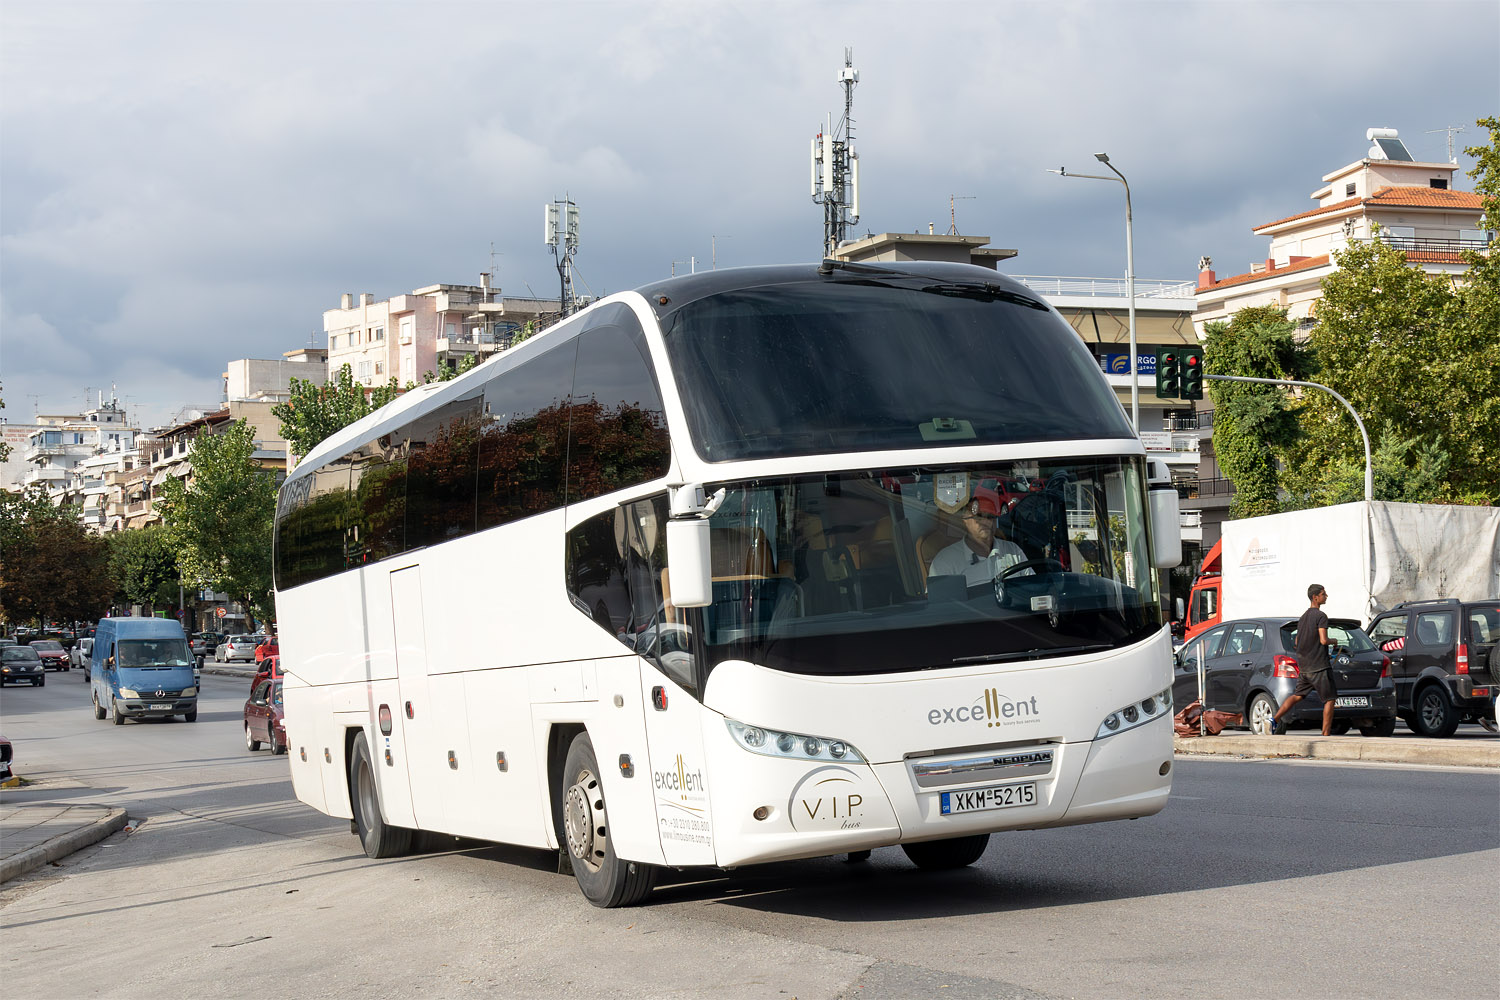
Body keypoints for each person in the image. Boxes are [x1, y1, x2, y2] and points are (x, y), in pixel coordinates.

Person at [1270, 583, 1337, 735]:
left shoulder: (1303, 617)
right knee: (1330, 699)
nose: (1326, 596)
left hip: (1305, 666)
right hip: (1319, 666)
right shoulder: (1321, 616)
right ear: (1315, 597)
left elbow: (1296, 642)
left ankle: (1274, 719)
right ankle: (1325, 734)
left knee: (1297, 695)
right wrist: (1334, 641)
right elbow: (1323, 640)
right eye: (1323, 594)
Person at [927, 496, 1029, 588]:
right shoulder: (946, 561)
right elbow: (938, 605)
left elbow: (1032, 588)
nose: (986, 522)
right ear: (964, 518)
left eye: (991, 516)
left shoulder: (1013, 550)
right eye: (979, 516)